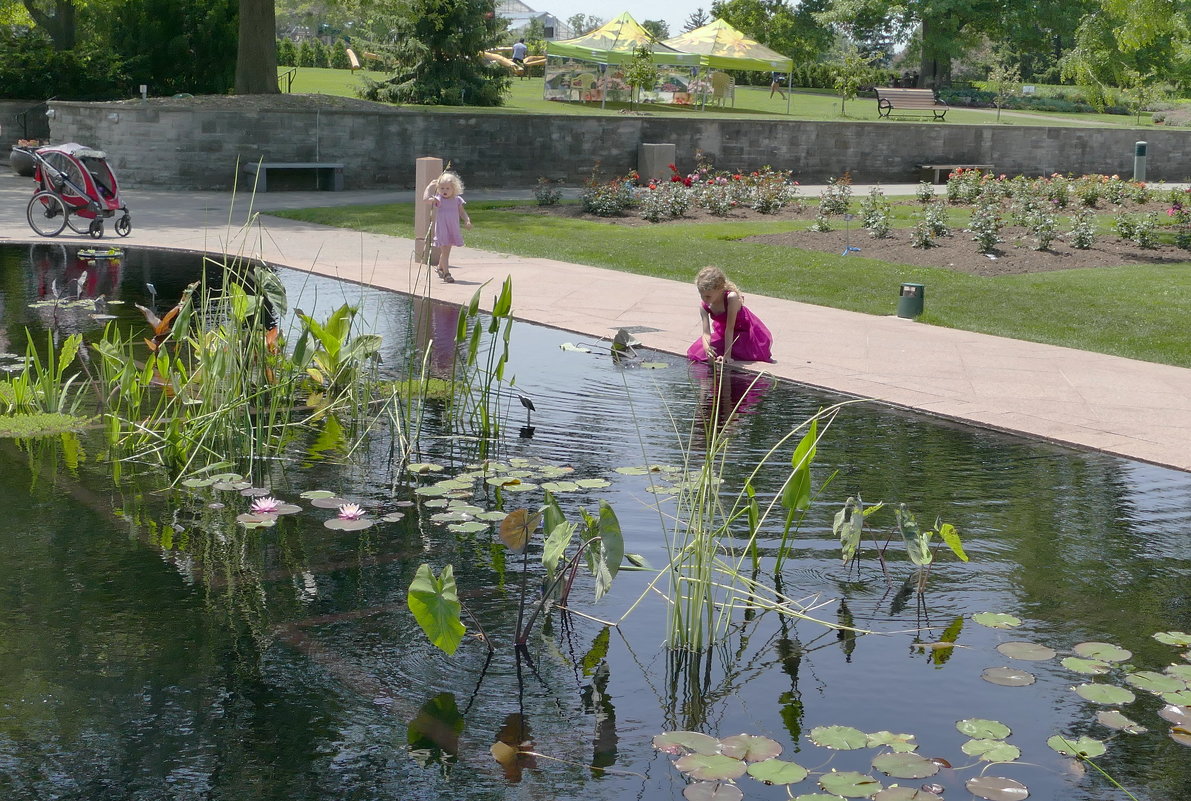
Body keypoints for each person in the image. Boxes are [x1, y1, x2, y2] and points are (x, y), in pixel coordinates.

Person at [686, 265, 774, 364]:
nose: (704, 299)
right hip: (724, 334)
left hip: (745, 332)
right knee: (700, 352)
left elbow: (730, 328)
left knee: (742, 352)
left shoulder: (731, 298)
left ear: (720, 290)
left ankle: (731, 351)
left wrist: (727, 355)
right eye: (701, 295)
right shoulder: (704, 306)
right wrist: (707, 348)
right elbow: (706, 333)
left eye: (708, 296)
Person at [423, 171, 471, 283]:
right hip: (442, 229)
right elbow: (425, 200)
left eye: (447, 188)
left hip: (452, 228)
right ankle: (446, 273)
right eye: (442, 188)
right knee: (445, 251)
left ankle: (440, 267)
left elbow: (462, 212)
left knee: (446, 251)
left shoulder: (457, 200)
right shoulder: (439, 200)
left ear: (454, 188)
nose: (444, 191)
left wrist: (467, 220)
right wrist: (429, 187)